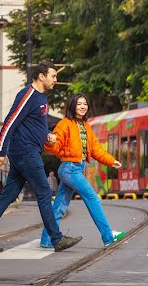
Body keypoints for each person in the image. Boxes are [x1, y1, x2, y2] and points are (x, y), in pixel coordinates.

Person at [0, 61, 82, 253]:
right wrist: (0, 151)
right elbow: (10, 122)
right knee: (44, 192)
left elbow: (33, 123)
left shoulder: (41, 98)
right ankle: (57, 239)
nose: (56, 80)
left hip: (27, 151)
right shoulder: (28, 95)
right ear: (41, 76)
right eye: (53, 76)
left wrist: (46, 133)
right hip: (25, 152)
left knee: (8, 195)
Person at [41, 94, 125, 248]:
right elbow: (55, 146)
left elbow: (95, 149)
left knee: (59, 206)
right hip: (69, 168)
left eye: (85, 104)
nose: (82, 107)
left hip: (75, 168)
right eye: (79, 104)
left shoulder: (86, 126)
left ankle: (46, 240)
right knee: (93, 198)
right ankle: (108, 236)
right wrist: (50, 141)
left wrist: (111, 161)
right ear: (72, 106)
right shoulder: (64, 124)